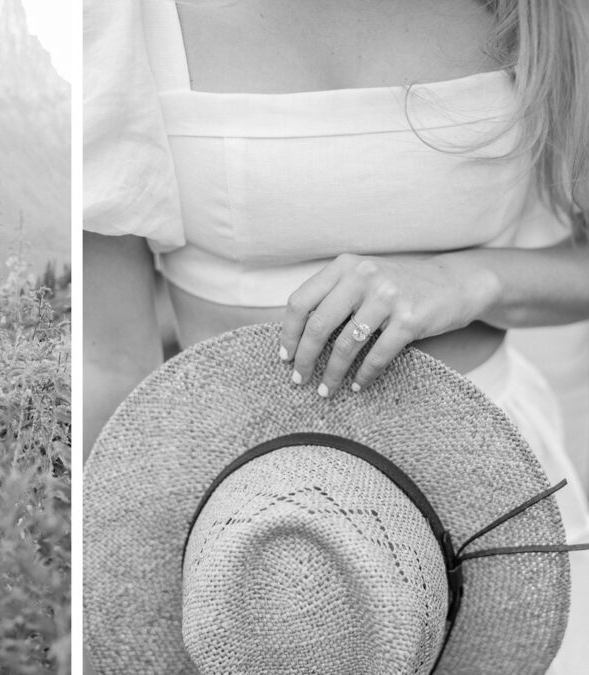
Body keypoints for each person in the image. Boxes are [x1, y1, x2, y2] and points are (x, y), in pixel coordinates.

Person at [84, 0, 589, 670]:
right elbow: (110, 360)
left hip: (491, 510)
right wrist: (116, 595)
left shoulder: (541, 13)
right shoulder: (120, 18)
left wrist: (473, 280)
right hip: (235, 541)